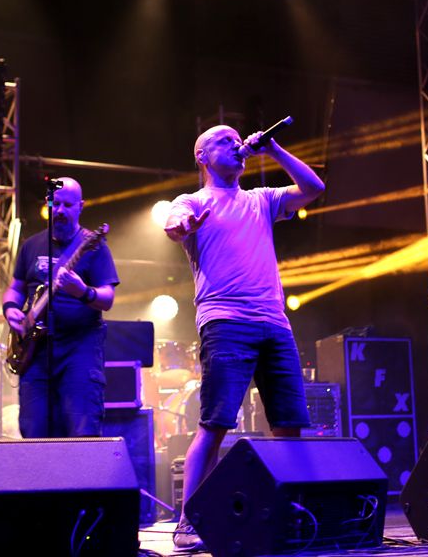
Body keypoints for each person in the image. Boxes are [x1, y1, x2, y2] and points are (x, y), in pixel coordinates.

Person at [164, 124, 325, 550]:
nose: (236, 144)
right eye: (223, 140)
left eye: (238, 139)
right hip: (225, 320)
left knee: (289, 424)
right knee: (215, 423)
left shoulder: (261, 199)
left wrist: (274, 149)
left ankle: (285, 515)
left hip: (275, 323)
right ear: (201, 156)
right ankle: (189, 520)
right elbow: (174, 225)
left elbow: (314, 188)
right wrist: (184, 225)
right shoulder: (192, 201)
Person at [1, 176, 119, 438]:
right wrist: (10, 309)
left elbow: (107, 297)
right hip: (36, 353)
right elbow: (16, 288)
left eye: (68, 205)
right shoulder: (32, 245)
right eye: (56, 204)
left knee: (82, 429)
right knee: (33, 431)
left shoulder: (94, 245)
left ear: (80, 206)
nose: (61, 211)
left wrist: (83, 291)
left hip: (79, 349)